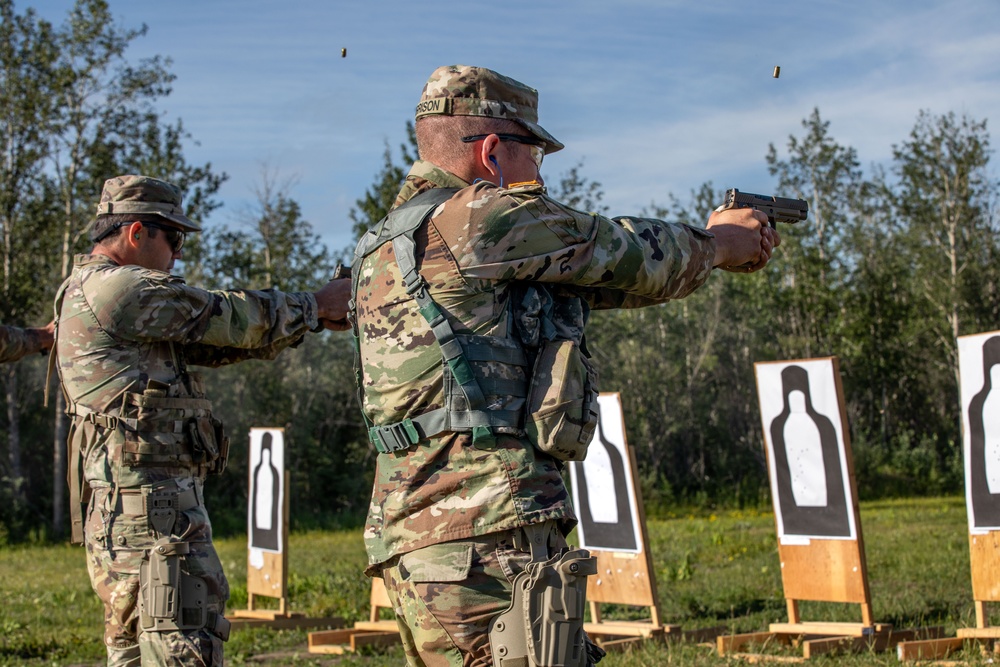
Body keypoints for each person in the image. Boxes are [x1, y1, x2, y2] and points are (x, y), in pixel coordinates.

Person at [349, 65, 780, 667]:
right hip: (491, 524)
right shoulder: (480, 217)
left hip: (418, 532)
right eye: (534, 153)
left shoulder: (384, 246)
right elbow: (624, 252)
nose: (541, 173)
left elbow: (590, 280)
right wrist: (717, 244)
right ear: (493, 151)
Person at [53, 174, 350, 667]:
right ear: (136, 233)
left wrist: (310, 318)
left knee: (134, 651)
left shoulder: (84, 289)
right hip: (155, 514)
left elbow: (213, 344)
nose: (178, 255)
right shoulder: (123, 289)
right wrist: (315, 304)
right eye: (175, 239)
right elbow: (223, 315)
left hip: (127, 509)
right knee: (183, 647)